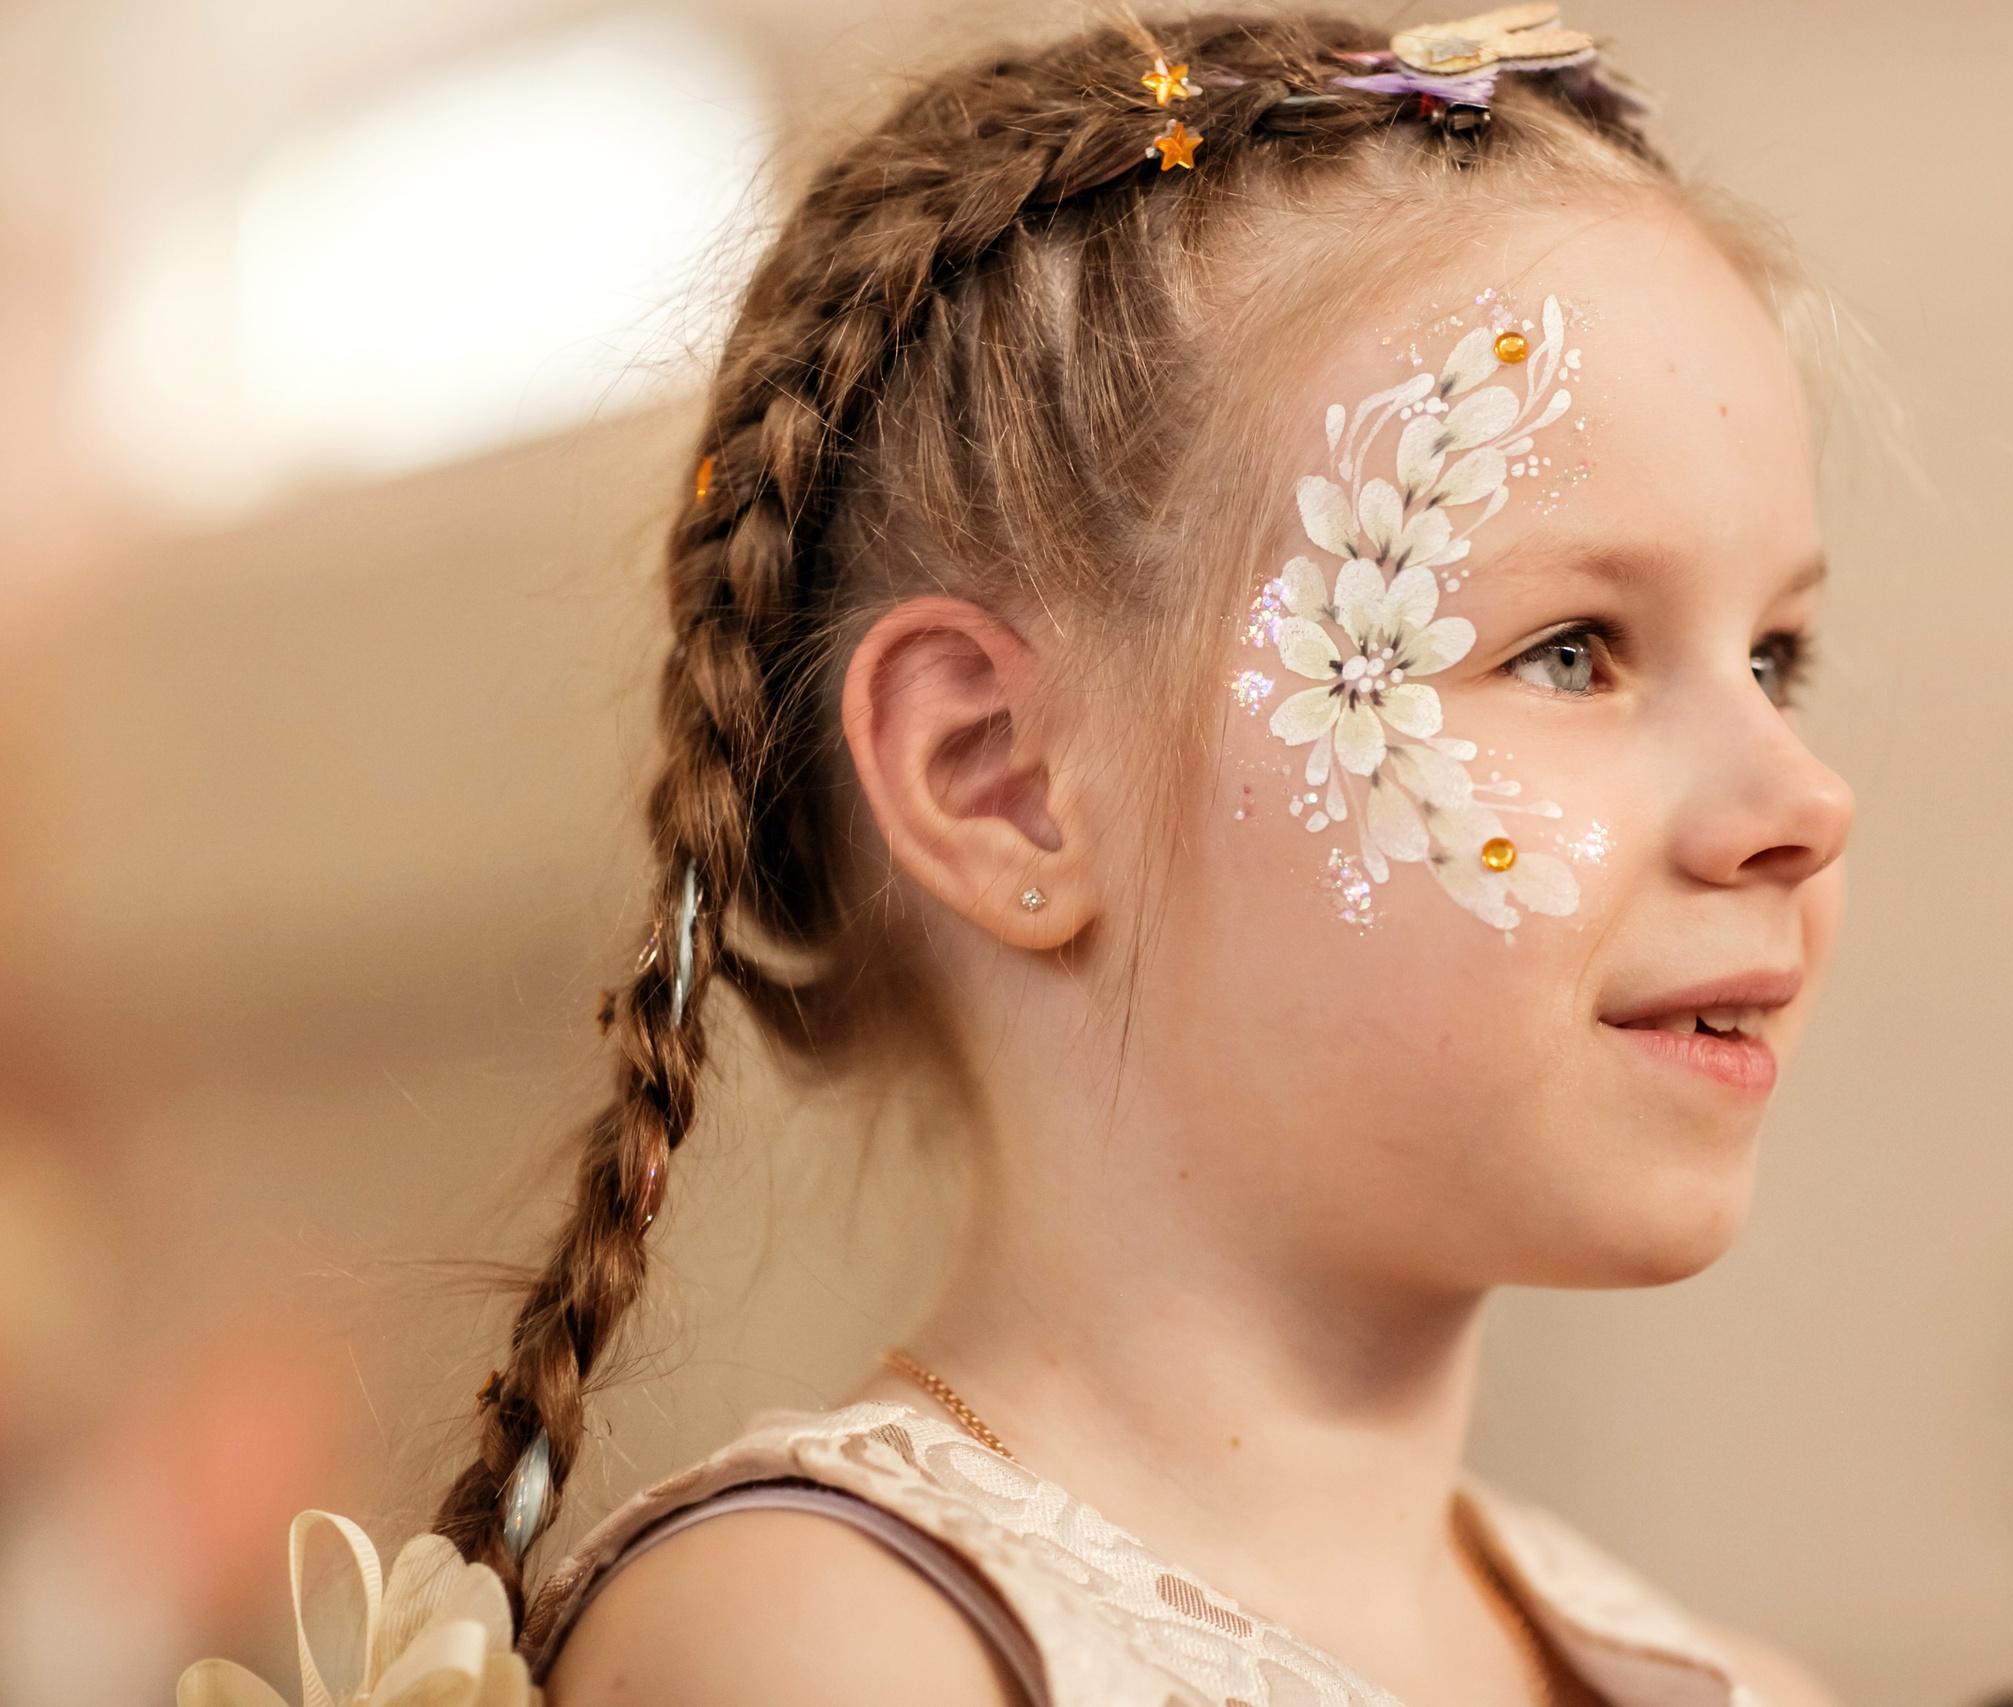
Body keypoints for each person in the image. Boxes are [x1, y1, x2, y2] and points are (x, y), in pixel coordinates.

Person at [185, 9, 1860, 1705]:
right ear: (1004, 783)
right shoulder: (828, 1649)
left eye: (1775, 657)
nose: (1800, 796)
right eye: (1571, 648)